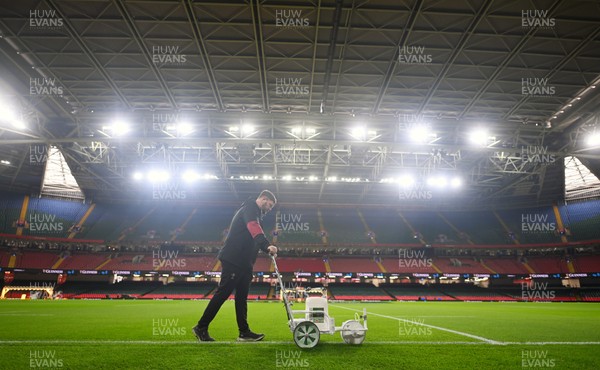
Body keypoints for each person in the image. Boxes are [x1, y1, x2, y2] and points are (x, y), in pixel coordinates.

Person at [193, 190, 278, 342]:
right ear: (264, 199)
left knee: (241, 298)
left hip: (244, 263)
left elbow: (252, 237)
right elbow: (253, 228)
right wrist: (267, 246)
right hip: (234, 260)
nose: (270, 209)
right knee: (223, 294)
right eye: (270, 205)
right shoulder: (250, 208)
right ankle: (201, 327)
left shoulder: (257, 214)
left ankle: (244, 332)